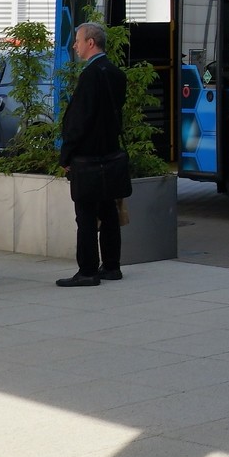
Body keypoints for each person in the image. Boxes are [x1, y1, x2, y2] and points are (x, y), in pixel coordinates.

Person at [56, 22, 127, 287]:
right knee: (108, 211)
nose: (74, 45)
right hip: (110, 152)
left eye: (77, 40)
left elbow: (79, 120)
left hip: (87, 156)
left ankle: (87, 271)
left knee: (85, 215)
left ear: (90, 42)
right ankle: (111, 266)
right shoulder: (115, 73)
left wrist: (66, 154)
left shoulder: (90, 75)